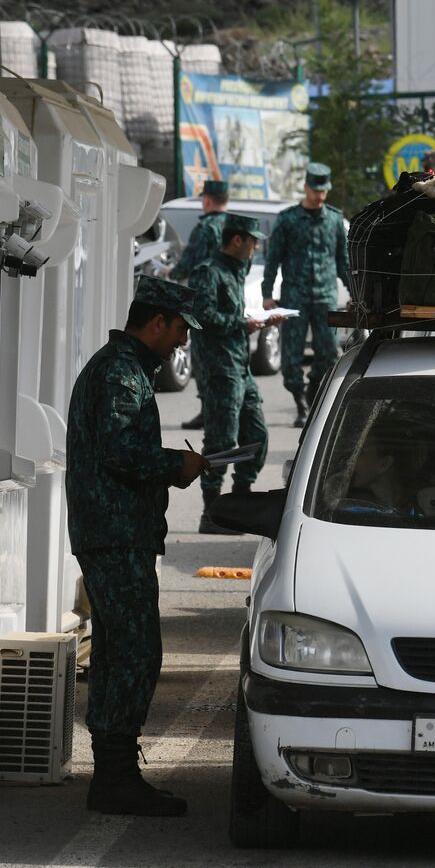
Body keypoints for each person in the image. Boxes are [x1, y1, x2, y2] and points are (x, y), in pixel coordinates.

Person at [65, 276, 207, 817]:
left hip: (116, 532)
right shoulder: (121, 373)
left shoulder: (121, 367)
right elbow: (121, 451)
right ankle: (115, 779)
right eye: (178, 330)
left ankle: (115, 774)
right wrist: (178, 464)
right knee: (133, 654)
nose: (181, 342)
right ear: (156, 322)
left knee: (121, 652)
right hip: (115, 533)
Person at [189, 214, 282, 534]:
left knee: (256, 436)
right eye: (253, 240)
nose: (256, 247)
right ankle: (212, 513)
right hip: (219, 369)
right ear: (238, 240)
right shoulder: (208, 273)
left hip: (240, 367)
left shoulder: (234, 271)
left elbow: (227, 314)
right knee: (221, 441)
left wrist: (260, 320)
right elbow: (203, 316)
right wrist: (243, 324)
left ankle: (241, 504)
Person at [262, 162, 350, 427]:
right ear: (306, 188)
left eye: (323, 192)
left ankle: (313, 388)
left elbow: (342, 261)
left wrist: (355, 292)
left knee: (328, 353)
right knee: (292, 354)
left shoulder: (334, 219)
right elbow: (273, 259)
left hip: (324, 295)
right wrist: (267, 294)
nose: (319, 196)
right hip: (294, 296)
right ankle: (299, 402)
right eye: (315, 191)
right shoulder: (288, 219)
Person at [168, 179, 230, 430]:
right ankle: (225, 411)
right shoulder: (235, 227)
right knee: (226, 357)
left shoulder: (206, 229)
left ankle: (208, 411)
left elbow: (188, 261)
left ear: (207, 200)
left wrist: (172, 272)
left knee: (203, 358)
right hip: (228, 301)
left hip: (205, 301)